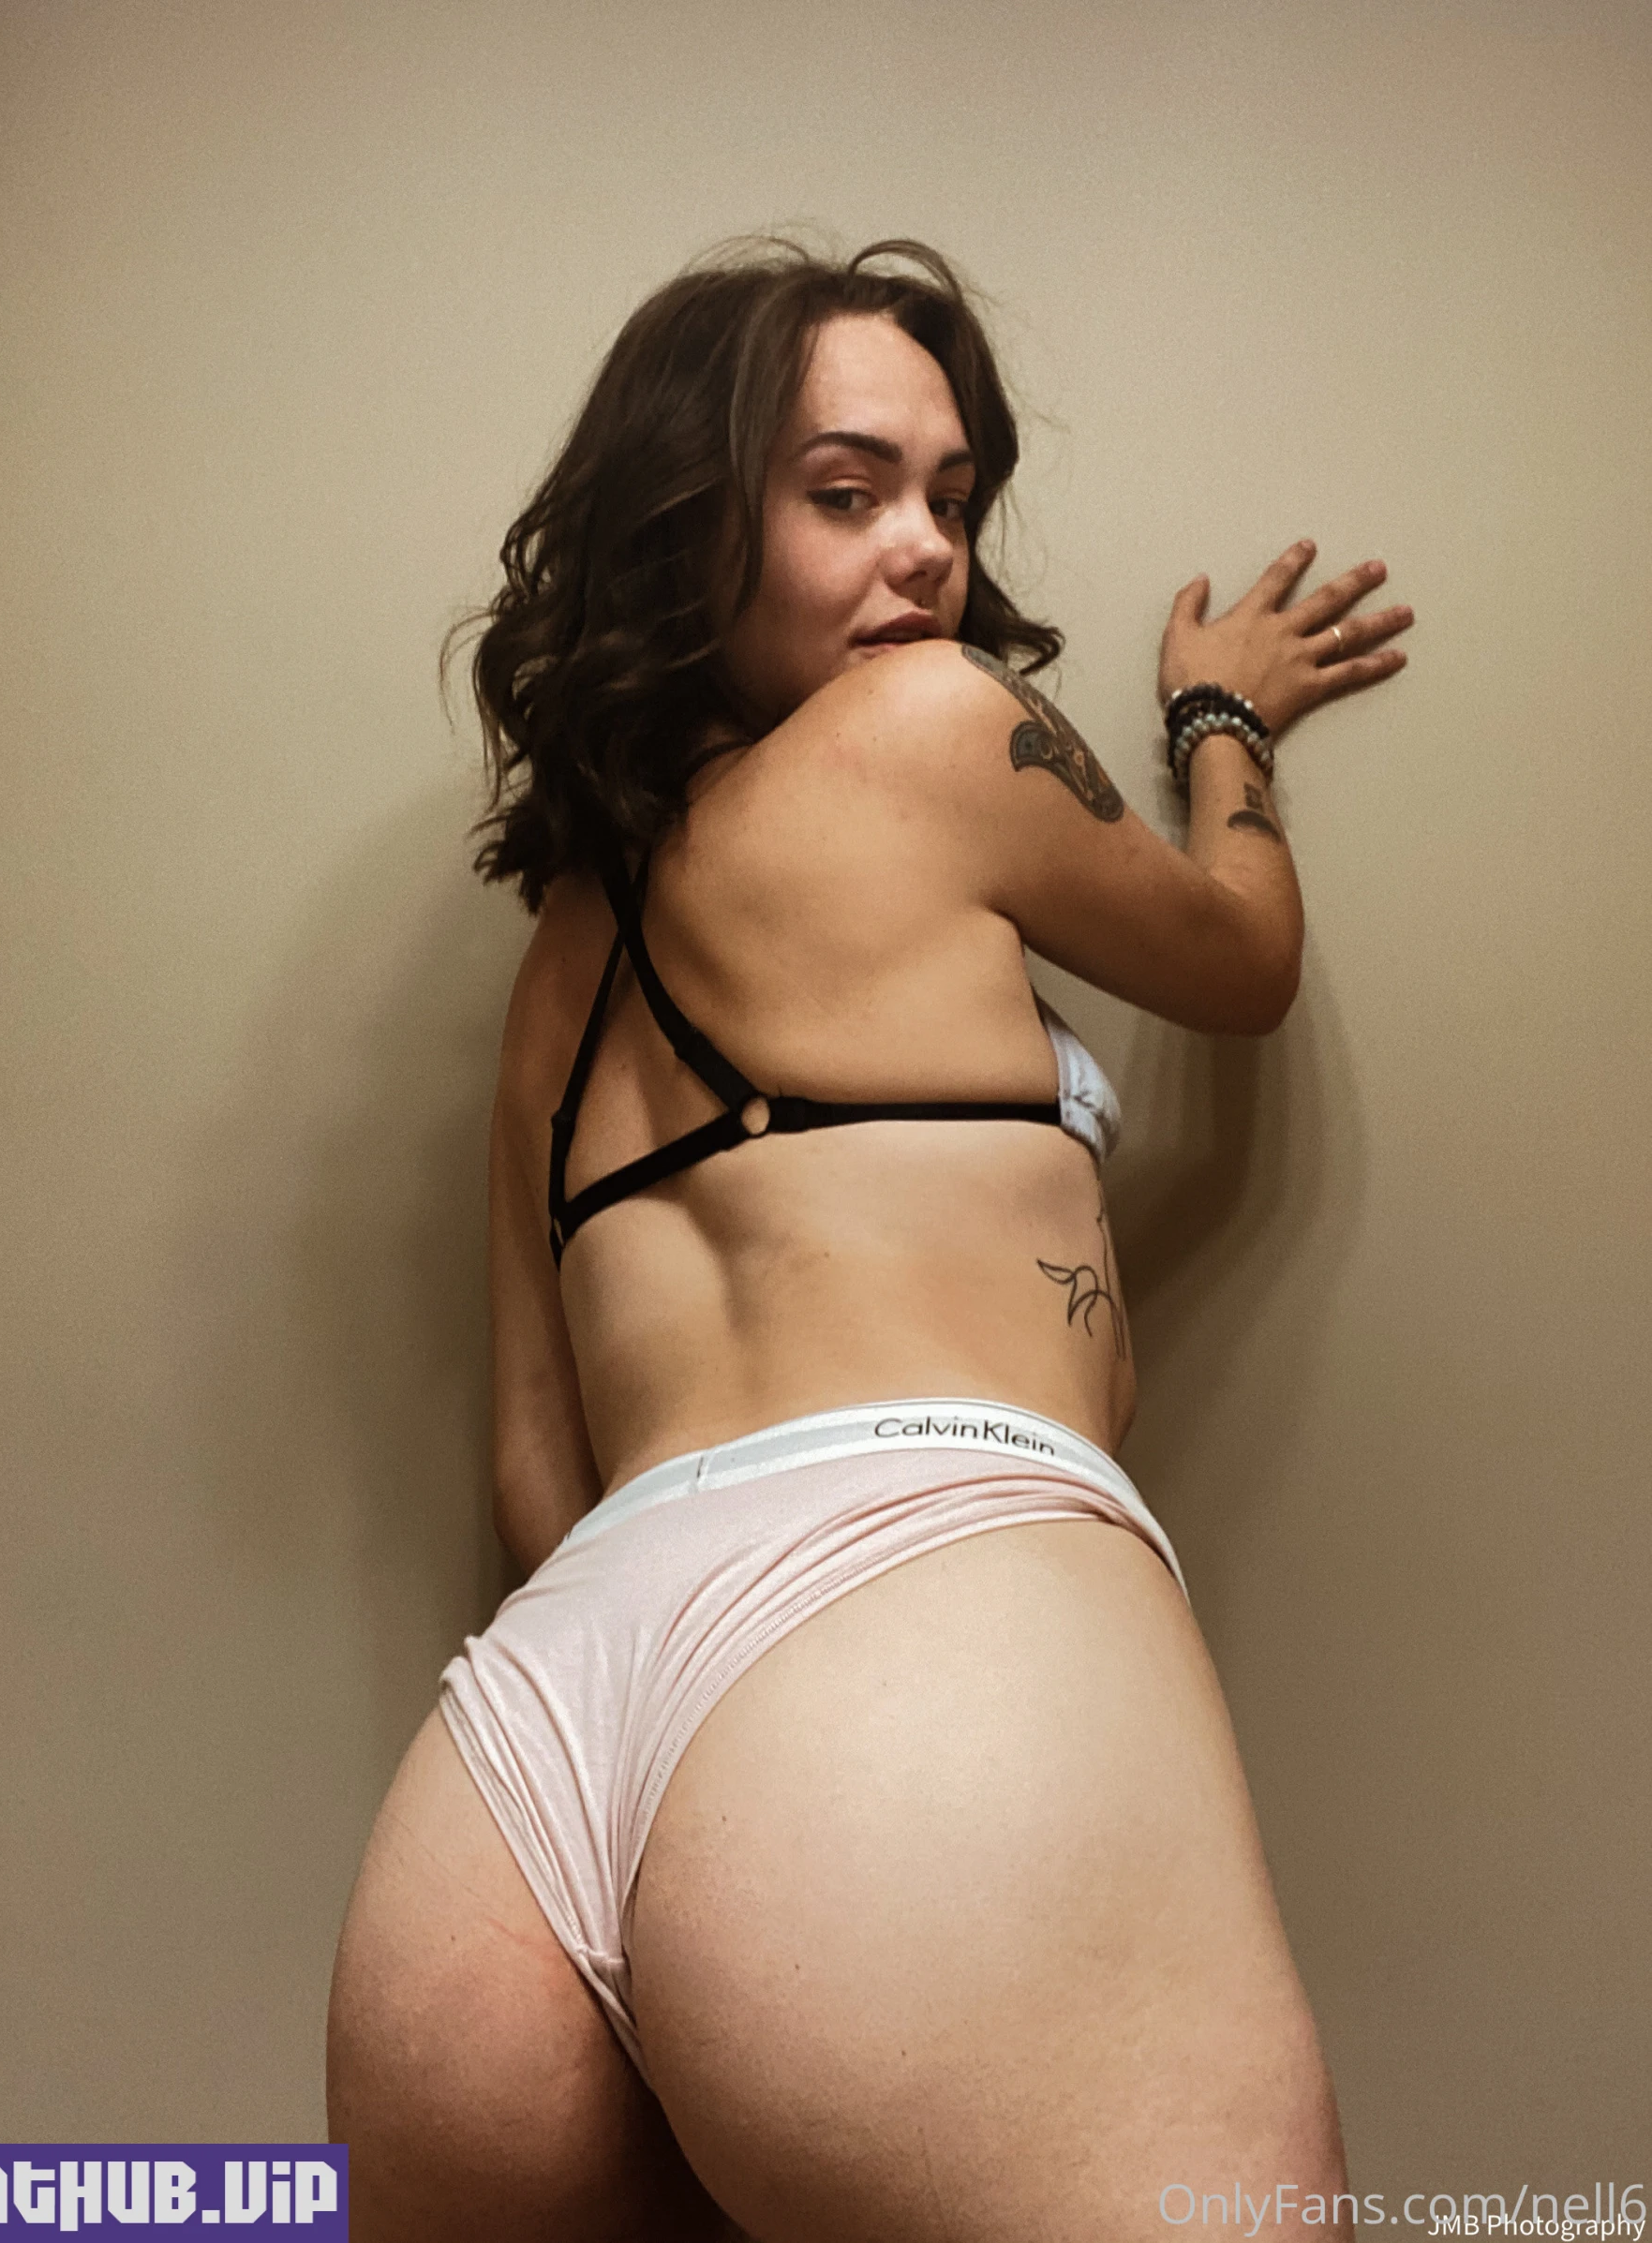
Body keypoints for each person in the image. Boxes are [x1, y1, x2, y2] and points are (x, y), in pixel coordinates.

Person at [325, 238, 1413, 2242]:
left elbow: (536, 1474)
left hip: (527, 1757)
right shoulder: (933, 724)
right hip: (909, 1636)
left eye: (952, 497)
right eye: (847, 491)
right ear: (689, 520)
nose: (925, 550)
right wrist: (1219, 718)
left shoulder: (559, 962)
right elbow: (1241, 961)